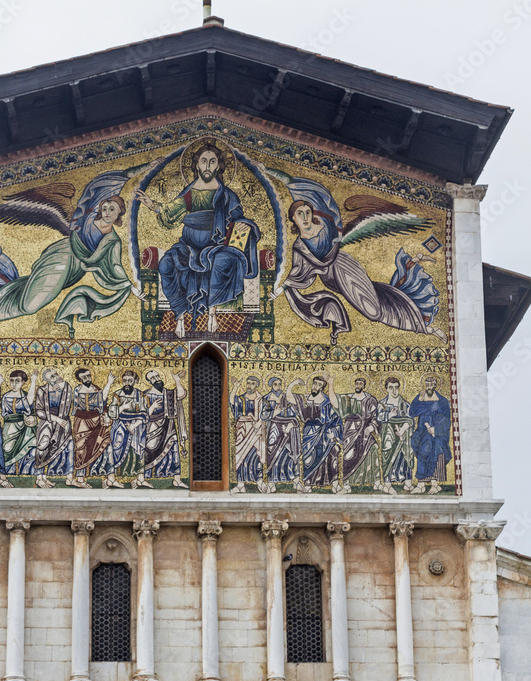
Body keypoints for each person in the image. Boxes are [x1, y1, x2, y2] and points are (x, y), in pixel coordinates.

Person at [0, 175, 143, 337]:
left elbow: (115, 266)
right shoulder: (85, 220)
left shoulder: (113, 241)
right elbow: (104, 185)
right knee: (30, 305)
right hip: (62, 257)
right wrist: (138, 170)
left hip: (75, 271)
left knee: (28, 292)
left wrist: (130, 286)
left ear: (120, 213)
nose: (107, 212)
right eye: (104, 208)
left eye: (112, 209)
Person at [276, 184, 445, 344]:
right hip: (331, 279)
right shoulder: (299, 246)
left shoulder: (325, 229)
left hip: (344, 268)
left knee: (373, 312)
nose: (305, 218)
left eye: (307, 212)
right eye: (300, 214)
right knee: (377, 301)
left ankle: (426, 329)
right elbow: (298, 271)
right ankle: (422, 320)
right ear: (293, 218)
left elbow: (336, 233)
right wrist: (281, 289)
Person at [135, 140, 260, 336]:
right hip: (188, 246)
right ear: (197, 165)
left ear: (218, 165)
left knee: (223, 261)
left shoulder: (227, 195)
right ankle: (180, 315)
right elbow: (170, 212)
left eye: (212, 162)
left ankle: (212, 313)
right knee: (166, 264)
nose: (207, 166)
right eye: (203, 161)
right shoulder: (190, 193)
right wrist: (152, 205)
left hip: (216, 246)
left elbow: (238, 219)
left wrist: (245, 225)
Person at [330, 378, 381, 493]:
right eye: (357, 383)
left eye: (360, 384)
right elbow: (335, 402)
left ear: (364, 386)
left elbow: (376, 417)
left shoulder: (370, 400)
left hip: (365, 432)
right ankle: (347, 484)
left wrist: (372, 427)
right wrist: (330, 384)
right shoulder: (348, 398)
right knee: (348, 454)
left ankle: (376, 482)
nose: (358, 385)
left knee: (374, 448)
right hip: (350, 431)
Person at [297, 374, 342, 490]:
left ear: (322, 387)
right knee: (308, 458)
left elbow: (336, 416)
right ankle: (308, 483)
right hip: (309, 433)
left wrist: (334, 432)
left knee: (331, 453)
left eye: (319, 385)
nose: (316, 386)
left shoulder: (327, 401)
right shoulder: (305, 399)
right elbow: (291, 400)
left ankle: (335, 484)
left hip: (324, 432)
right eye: (315, 383)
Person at [71, 368, 114, 489]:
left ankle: (110, 477)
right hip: (82, 422)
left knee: (105, 445)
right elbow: (76, 408)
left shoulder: (96, 389)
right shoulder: (77, 390)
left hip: (97, 421)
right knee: (80, 449)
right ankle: (80, 479)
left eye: (88, 376)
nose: (87, 378)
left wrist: (109, 382)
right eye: (84, 377)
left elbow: (103, 400)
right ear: (79, 379)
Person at [143, 369, 188, 486]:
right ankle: (145, 477)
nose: (156, 379)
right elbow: (141, 415)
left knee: (174, 450)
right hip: (151, 428)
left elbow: (181, 394)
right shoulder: (145, 395)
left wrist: (177, 381)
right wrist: (152, 407)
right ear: (149, 381)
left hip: (168, 427)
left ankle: (177, 480)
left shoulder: (168, 393)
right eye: (152, 378)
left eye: (157, 376)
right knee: (149, 452)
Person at [409, 375, 452, 494]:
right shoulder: (421, 398)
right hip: (422, 432)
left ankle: (433, 483)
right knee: (422, 448)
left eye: (431, 384)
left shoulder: (442, 401)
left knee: (436, 449)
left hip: (437, 435)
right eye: (427, 385)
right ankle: (422, 485)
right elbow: (412, 412)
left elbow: (447, 420)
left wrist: (436, 429)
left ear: (435, 386)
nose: (429, 387)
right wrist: (419, 400)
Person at [107, 370, 150, 488]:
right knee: (116, 448)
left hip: (136, 427)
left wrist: (134, 425)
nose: (127, 383)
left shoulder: (140, 395)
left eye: (130, 381)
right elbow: (111, 412)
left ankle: (139, 479)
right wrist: (123, 407)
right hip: (119, 425)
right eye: (125, 380)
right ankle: (111, 478)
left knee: (139, 451)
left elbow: (144, 413)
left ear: (135, 381)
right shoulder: (117, 394)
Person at [35, 367, 74, 487]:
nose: (56, 377)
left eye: (56, 374)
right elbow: (39, 411)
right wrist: (56, 419)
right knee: (42, 447)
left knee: (69, 447)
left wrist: (64, 385)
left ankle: (70, 478)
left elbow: (71, 395)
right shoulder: (42, 390)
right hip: (48, 422)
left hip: (64, 423)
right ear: (47, 380)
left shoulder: (65, 388)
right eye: (52, 377)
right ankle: (40, 478)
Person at [261, 377, 301, 492]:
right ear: (271, 386)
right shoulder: (266, 399)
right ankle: (271, 482)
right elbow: (262, 415)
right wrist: (275, 412)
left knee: (290, 453)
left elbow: (296, 414)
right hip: (274, 427)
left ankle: (295, 481)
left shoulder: (287, 398)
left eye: (279, 384)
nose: (278, 386)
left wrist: (291, 424)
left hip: (289, 428)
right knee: (272, 451)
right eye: (275, 384)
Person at [230, 374, 267, 493]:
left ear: (257, 385)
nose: (249, 385)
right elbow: (231, 402)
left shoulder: (260, 400)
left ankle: (259, 481)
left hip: (256, 431)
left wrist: (258, 422)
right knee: (241, 456)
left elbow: (264, 415)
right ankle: (241, 484)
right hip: (242, 430)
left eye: (252, 383)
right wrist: (235, 387)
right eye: (248, 383)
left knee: (255, 456)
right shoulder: (240, 398)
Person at [377, 376, 414, 493]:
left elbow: (411, 419)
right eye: (391, 388)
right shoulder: (382, 404)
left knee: (405, 456)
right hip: (388, 436)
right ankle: (387, 484)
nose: (394, 391)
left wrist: (403, 429)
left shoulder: (405, 404)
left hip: (403, 436)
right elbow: (378, 417)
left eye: (396, 388)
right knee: (388, 456)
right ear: (386, 389)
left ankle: (407, 483)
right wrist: (389, 416)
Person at [1, 369, 38, 478]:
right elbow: (4, 415)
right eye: (12, 381)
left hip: (25, 429)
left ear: (23, 382)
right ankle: (9, 474)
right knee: (7, 449)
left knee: (33, 447)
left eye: (17, 381)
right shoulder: (5, 397)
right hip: (10, 429)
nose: (14, 384)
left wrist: (34, 381)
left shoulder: (27, 395)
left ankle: (26, 472)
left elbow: (29, 403)